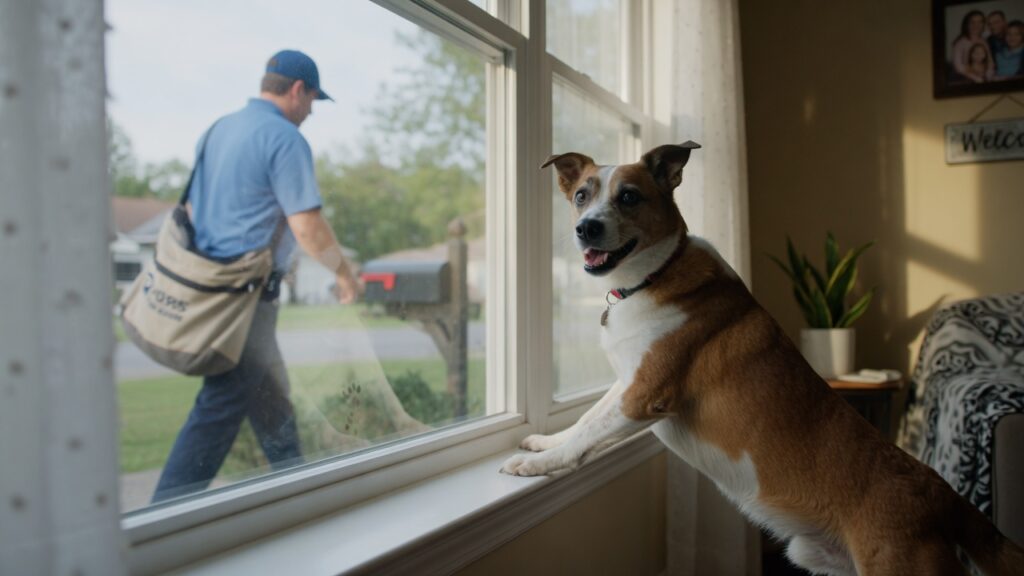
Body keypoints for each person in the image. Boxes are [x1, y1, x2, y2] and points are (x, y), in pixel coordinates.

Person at [152, 50, 362, 503]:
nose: (310, 112)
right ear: (296, 90)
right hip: (243, 301)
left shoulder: (218, 130)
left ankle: (296, 494)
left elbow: (192, 211)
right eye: (312, 101)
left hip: (209, 290)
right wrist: (345, 276)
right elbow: (307, 226)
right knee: (223, 403)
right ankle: (160, 518)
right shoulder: (284, 139)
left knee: (269, 400)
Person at [952, 10, 994, 83]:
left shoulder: (984, 42)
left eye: (980, 22)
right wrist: (975, 77)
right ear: (967, 24)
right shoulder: (960, 43)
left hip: (984, 77)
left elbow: (990, 62)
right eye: (972, 22)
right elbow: (958, 66)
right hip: (966, 78)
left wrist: (988, 76)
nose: (976, 25)